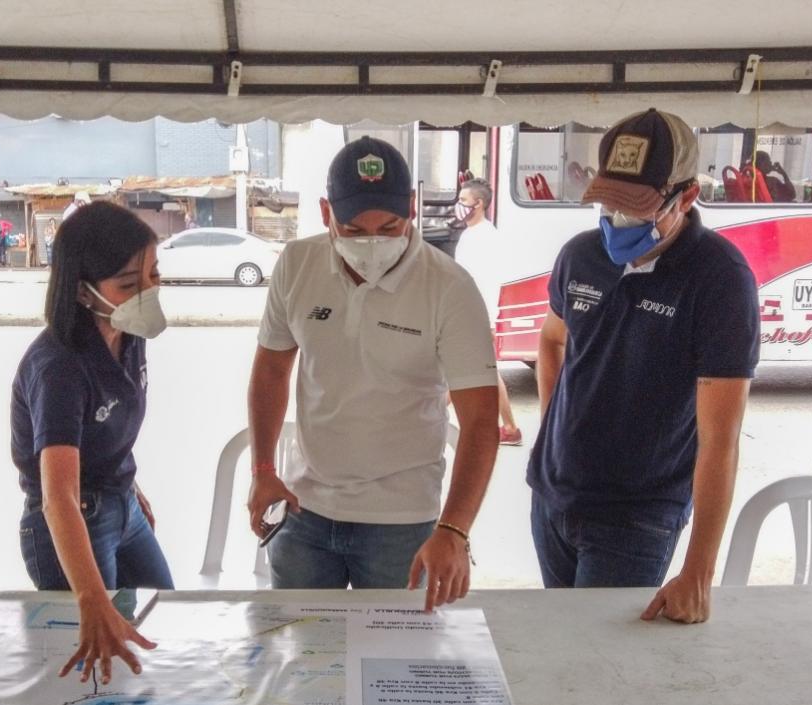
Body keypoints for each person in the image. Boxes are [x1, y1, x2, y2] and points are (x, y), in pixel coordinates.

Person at [246, 137, 500, 612]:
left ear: (411, 208)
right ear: (325, 213)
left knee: (400, 663)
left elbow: (482, 421)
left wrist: (454, 529)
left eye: (389, 226)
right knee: (303, 658)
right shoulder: (297, 265)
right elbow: (270, 371)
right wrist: (263, 469)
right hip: (305, 511)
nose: (371, 243)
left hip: (402, 521)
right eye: (352, 227)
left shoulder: (450, 288)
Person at [528, 108, 759, 623]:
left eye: (635, 208)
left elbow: (722, 439)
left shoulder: (720, 279)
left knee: (601, 664)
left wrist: (698, 569)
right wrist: (553, 430)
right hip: (554, 499)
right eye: (608, 202)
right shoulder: (580, 255)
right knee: (556, 642)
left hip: (635, 517)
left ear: (688, 195)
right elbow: (550, 341)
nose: (616, 219)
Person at [11, 201, 173, 684]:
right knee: (96, 660)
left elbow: (111, 421)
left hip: (121, 508)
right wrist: (92, 598)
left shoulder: (127, 332)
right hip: (72, 519)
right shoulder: (59, 366)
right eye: (128, 284)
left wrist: (126, 479)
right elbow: (57, 495)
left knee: (163, 617)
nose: (148, 292)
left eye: (154, 273)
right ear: (83, 292)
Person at [451, 178, 522, 445]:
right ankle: (511, 429)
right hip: (471, 314)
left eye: (463, 201)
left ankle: (428, 420)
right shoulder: (471, 234)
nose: (458, 206)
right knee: (489, 372)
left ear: (479, 204)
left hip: (475, 316)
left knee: (456, 371)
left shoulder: (485, 238)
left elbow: (487, 282)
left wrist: (488, 321)